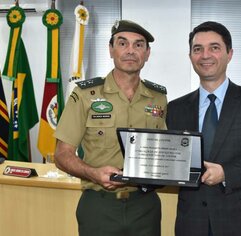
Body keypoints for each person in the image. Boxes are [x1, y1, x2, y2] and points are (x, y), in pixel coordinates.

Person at [166, 21, 241, 236]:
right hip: (192, 222)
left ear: (229, 54)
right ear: (190, 56)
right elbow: (171, 162)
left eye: (214, 47)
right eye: (197, 49)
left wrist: (226, 173)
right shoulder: (175, 108)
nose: (205, 55)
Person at [54, 19, 167, 236]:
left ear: (147, 53)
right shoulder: (86, 95)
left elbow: (163, 152)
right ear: (111, 50)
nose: (131, 51)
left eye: (139, 45)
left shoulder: (158, 98)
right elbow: (61, 154)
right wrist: (93, 173)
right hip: (99, 206)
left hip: (145, 206)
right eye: (123, 43)